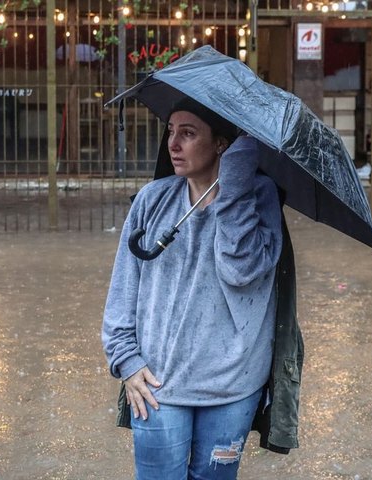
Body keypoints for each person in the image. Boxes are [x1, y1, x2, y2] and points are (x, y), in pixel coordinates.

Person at [101, 97, 284, 479]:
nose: (173, 144)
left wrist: (234, 186)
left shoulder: (260, 198)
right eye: (171, 132)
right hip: (158, 384)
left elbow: (242, 271)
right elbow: (122, 289)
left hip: (232, 386)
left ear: (221, 144)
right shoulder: (153, 200)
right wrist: (127, 361)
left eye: (188, 133)